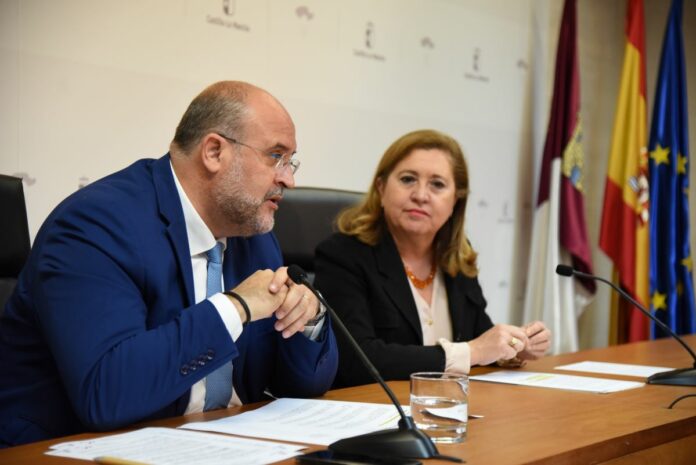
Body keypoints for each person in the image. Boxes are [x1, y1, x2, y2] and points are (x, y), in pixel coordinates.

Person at [0, 81, 338, 447]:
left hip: (223, 444)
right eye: (275, 156)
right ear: (214, 152)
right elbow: (107, 394)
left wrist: (309, 320)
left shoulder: (254, 237)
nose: (289, 179)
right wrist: (234, 307)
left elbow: (304, 386)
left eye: (290, 161)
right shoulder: (95, 226)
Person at [314, 129, 549, 388]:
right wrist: (473, 352)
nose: (420, 195)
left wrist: (513, 347)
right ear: (381, 188)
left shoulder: (456, 256)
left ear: (455, 200)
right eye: (408, 179)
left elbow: (480, 336)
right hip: (375, 406)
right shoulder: (343, 255)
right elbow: (355, 360)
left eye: (437, 184)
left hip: (450, 404)